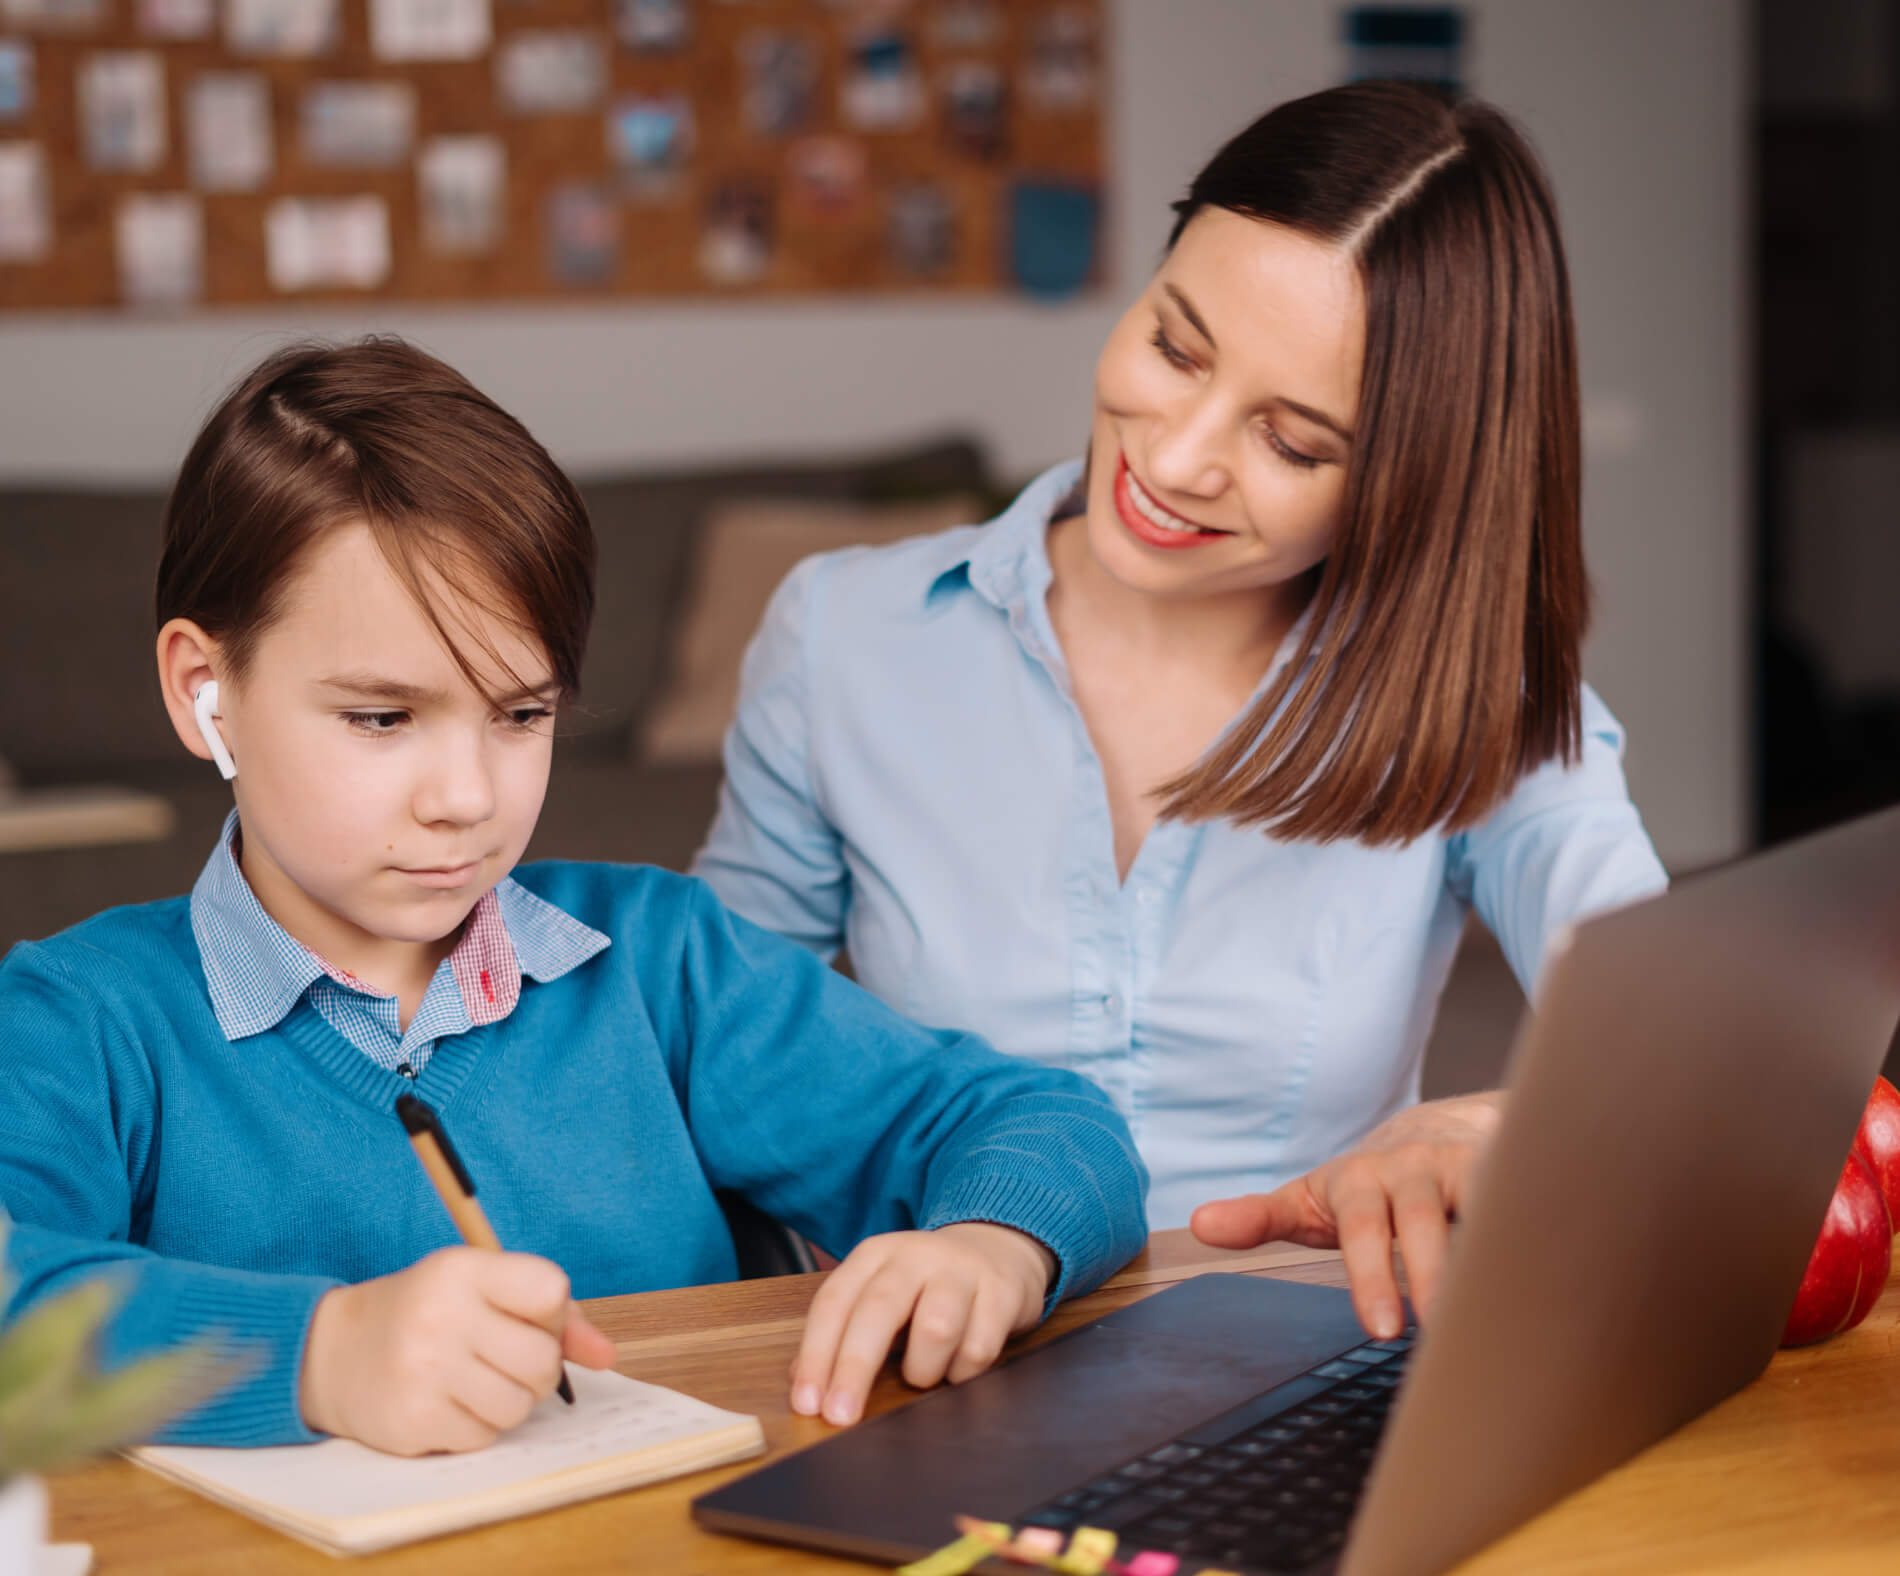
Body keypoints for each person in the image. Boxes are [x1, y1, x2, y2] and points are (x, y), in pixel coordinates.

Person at [0, 340, 1147, 1449]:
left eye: (521, 714)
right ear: (207, 692)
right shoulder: (80, 1016)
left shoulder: (663, 964)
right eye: (382, 717)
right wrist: (319, 1354)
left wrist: (996, 1241)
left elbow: (1042, 1124)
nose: (465, 798)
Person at [695, 81, 1669, 1341]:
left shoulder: (1487, 706)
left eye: (1295, 443)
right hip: (929, 1362)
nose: (1175, 457)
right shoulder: (843, 636)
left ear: (1412, 479)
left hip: (1305, 1365)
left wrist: (1502, 1123)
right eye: (1175, 346)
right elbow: (706, 1048)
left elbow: (1682, 1048)